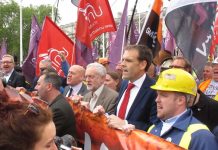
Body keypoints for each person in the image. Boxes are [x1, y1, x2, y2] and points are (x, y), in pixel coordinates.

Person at [148, 68, 218, 150]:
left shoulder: (200, 136)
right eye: (157, 94)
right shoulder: (153, 129)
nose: (157, 100)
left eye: (163, 95)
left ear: (180, 100)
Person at [107, 45, 158, 130]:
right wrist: (105, 115)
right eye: (123, 60)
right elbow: (119, 115)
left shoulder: (155, 89)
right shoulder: (124, 83)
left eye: (128, 61)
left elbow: (156, 127)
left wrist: (125, 124)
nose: (122, 64)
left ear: (143, 64)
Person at [170, 56, 218, 131]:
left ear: (187, 70)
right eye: (171, 67)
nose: (172, 70)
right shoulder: (204, 84)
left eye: (176, 67)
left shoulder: (212, 107)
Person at [35, 72, 76, 137]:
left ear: (49, 86)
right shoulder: (57, 102)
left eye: (38, 84)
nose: (35, 87)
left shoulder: (58, 109)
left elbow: (45, 137)